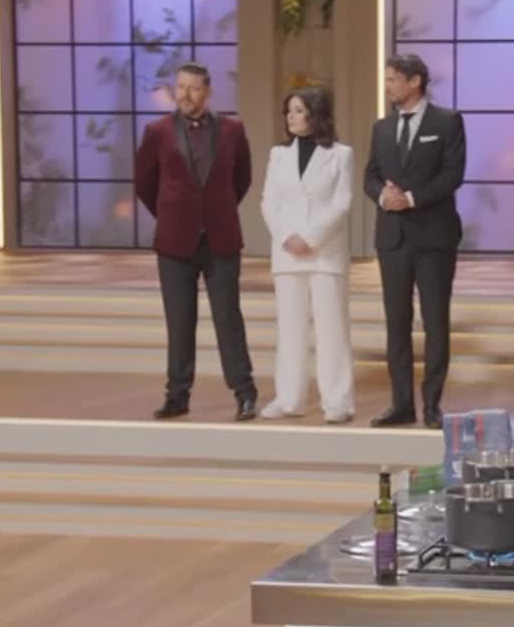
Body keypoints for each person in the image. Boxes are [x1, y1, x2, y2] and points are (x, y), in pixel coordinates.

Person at [133, 62, 258, 422]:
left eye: (193, 88)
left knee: (228, 320)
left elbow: (242, 179)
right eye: (181, 87)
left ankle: (245, 393)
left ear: (208, 92)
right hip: (175, 243)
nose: (185, 94)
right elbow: (144, 183)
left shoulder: (233, 130)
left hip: (221, 239)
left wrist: (215, 211)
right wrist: (172, 214)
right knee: (179, 322)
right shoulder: (157, 132)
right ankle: (177, 396)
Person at [363, 53, 467, 429]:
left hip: (434, 237)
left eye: (393, 79)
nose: (387, 85)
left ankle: (432, 403)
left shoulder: (447, 122)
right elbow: (370, 176)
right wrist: (382, 196)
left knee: (435, 323)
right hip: (393, 238)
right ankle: (401, 404)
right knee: (397, 323)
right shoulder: (382, 128)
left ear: (415, 82)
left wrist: (409, 198)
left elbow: (452, 175)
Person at [257, 87, 356, 424]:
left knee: (332, 330)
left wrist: (311, 237)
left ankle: (338, 401)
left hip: (325, 254)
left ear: (316, 114)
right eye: (289, 110)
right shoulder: (278, 155)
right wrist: (288, 237)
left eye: (298, 110)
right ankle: (289, 398)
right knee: (290, 330)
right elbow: (269, 202)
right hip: (287, 254)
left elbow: (342, 203)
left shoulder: (341, 154)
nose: (291, 116)